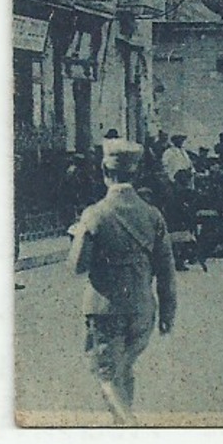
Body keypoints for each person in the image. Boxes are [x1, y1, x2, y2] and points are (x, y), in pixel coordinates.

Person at [68, 139, 177, 424]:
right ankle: (124, 423)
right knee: (125, 369)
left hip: (105, 309)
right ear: (136, 172)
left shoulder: (95, 214)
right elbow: (166, 271)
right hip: (143, 309)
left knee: (107, 375)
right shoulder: (153, 215)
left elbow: (77, 267)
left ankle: (127, 426)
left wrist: (80, 234)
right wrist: (168, 312)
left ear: (105, 169)